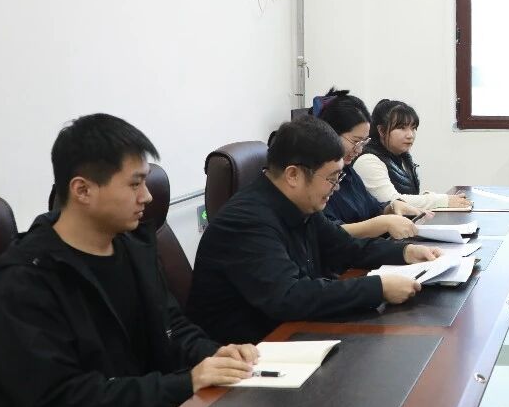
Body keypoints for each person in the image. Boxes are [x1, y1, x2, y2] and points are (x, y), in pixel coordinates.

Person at [0, 114, 257, 407]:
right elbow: (63, 402)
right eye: (134, 184)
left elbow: (172, 326)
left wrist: (216, 355)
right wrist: (185, 383)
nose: (147, 196)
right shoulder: (26, 280)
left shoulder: (132, 246)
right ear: (82, 190)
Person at [188, 117, 441, 344]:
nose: (336, 187)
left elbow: (346, 248)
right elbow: (289, 297)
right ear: (293, 175)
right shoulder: (247, 221)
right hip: (249, 352)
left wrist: (406, 252)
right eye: (331, 178)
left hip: (293, 332)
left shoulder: (300, 204)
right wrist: (378, 288)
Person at [311, 87, 432, 239]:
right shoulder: (316, 177)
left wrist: (391, 207)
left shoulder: (348, 171)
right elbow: (328, 232)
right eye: (356, 141)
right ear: (331, 134)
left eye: (364, 142)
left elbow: (373, 208)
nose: (359, 149)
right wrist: (384, 223)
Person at [357, 99, 471, 211]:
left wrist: (434, 197)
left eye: (413, 128)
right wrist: (442, 200)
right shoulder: (368, 160)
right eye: (402, 128)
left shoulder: (402, 156)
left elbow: (408, 195)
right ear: (381, 130)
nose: (410, 135)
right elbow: (392, 202)